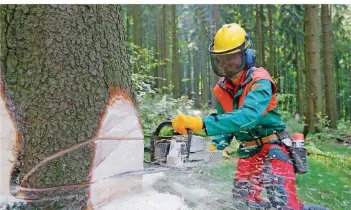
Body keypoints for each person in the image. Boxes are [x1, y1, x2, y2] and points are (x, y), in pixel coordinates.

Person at [172, 23, 327, 210]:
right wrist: (212, 150)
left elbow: (248, 116)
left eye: (232, 57)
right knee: (242, 205)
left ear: (246, 55)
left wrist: (201, 123)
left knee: (284, 206)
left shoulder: (260, 81)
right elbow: (226, 126)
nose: (227, 63)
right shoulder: (222, 88)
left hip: (273, 149)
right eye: (222, 59)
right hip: (247, 154)